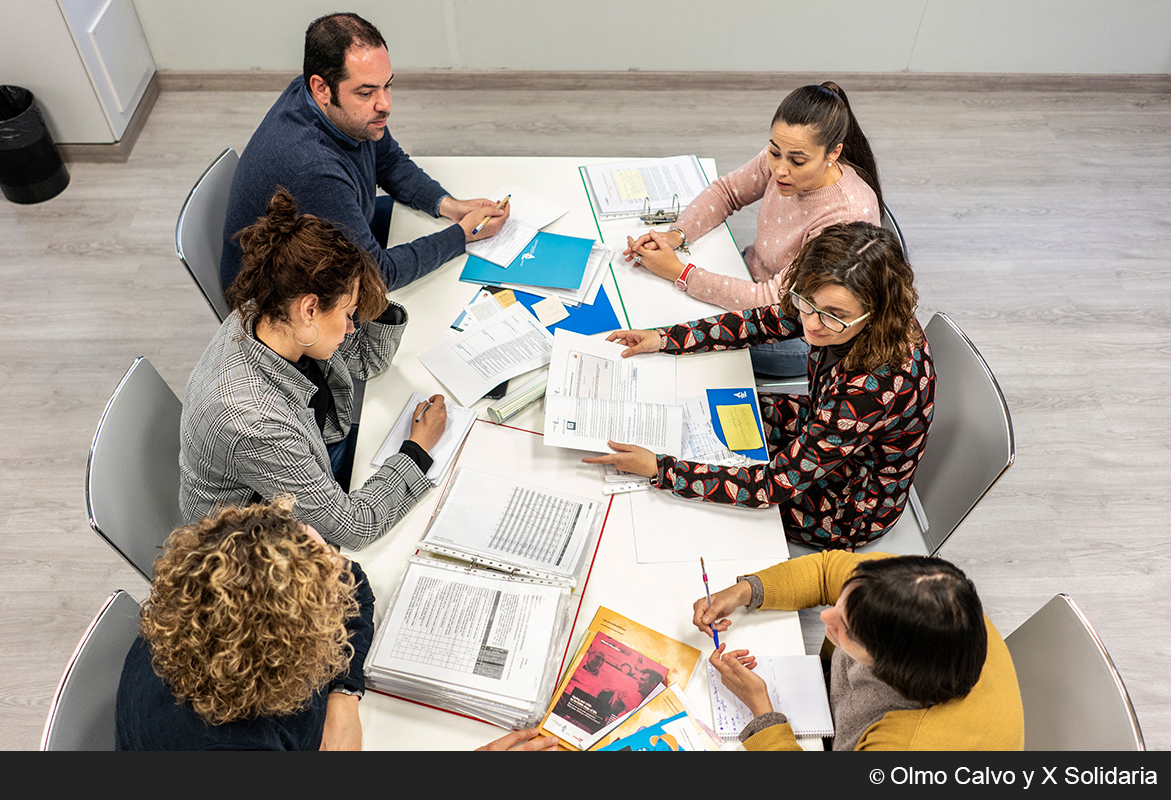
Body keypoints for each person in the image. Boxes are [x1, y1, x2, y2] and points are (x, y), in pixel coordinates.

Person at [584, 222, 934, 550]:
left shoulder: (874, 387)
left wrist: (662, 470)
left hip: (847, 504)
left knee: (687, 503)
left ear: (874, 312)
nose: (810, 323)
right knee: (707, 408)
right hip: (823, 428)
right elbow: (761, 322)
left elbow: (771, 486)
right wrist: (664, 337)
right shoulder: (839, 305)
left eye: (832, 315)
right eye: (806, 301)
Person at [115, 500, 558, 751]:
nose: (336, 564)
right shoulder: (226, 747)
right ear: (294, 645)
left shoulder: (199, 607)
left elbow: (353, 582)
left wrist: (343, 698)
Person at [181, 188, 444, 550]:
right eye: (349, 315)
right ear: (310, 309)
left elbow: (369, 360)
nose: (353, 328)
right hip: (254, 554)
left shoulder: (275, 308)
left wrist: (365, 294)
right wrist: (417, 450)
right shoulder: (255, 422)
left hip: (308, 464)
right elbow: (353, 529)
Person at [220, 12, 510, 293]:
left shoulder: (329, 102)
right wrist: (463, 236)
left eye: (388, 85)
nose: (385, 104)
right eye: (366, 93)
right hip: (282, 305)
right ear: (321, 88)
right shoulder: (313, 168)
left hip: (332, 245)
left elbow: (389, 161)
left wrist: (449, 205)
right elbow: (378, 274)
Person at [622, 82, 882, 377]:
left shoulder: (844, 218)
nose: (780, 170)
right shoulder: (784, 154)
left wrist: (680, 272)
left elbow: (770, 301)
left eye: (797, 160)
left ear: (833, 153)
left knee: (671, 343)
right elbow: (728, 192)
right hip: (749, 278)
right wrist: (676, 235)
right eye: (774, 152)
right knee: (659, 316)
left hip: (794, 330)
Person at [692, 551, 1024, 750]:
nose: (825, 616)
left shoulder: (911, 747)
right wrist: (743, 591)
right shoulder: (913, 591)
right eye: (841, 601)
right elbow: (825, 572)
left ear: (890, 666)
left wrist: (762, 712)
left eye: (847, 628)